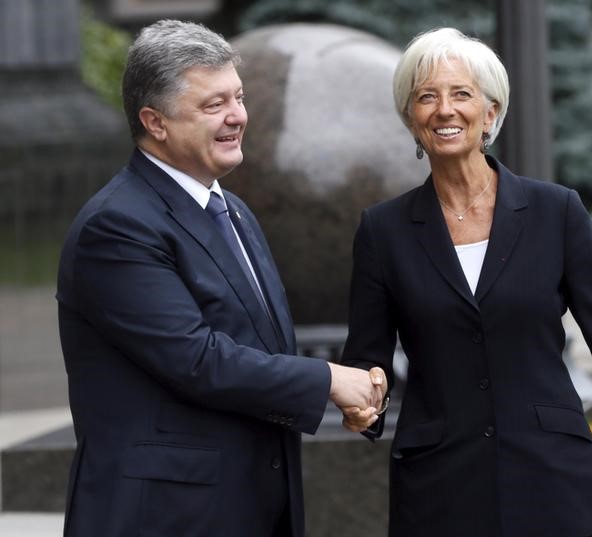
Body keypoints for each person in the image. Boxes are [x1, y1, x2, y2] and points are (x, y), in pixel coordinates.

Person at [339, 28, 592, 537]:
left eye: (461, 94)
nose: (444, 109)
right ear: (411, 119)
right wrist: (365, 406)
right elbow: (366, 359)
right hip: (441, 490)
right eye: (427, 97)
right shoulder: (382, 231)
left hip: (551, 478)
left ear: (490, 114)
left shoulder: (557, 212)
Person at [56, 19, 384, 537]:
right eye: (214, 105)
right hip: (165, 517)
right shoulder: (117, 226)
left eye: (239, 97)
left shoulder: (232, 210)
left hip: (252, 503)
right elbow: (196, 359)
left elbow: (262, 344)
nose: (238, 117)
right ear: (155, 122)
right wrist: (328, 380)